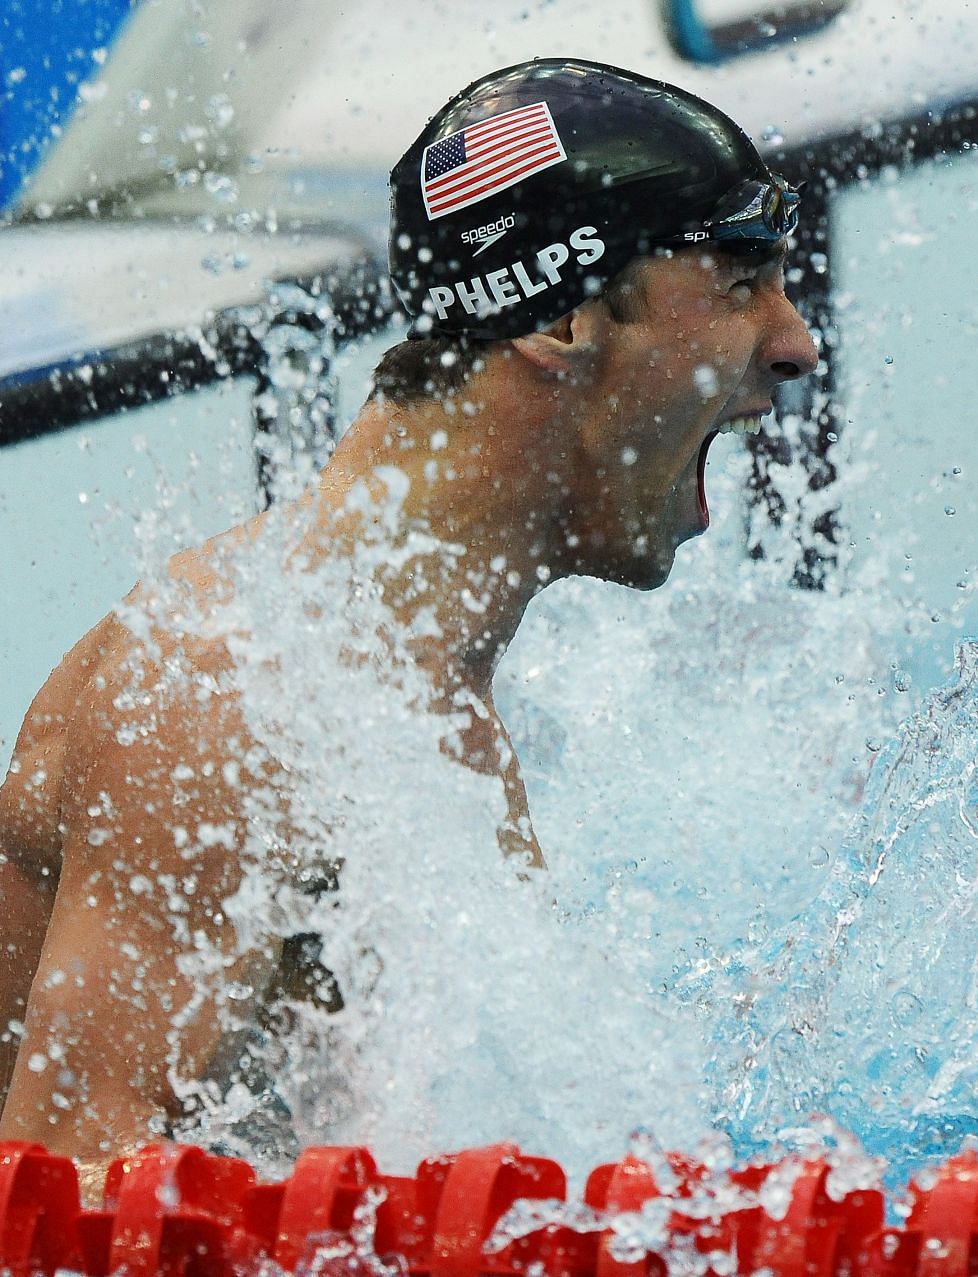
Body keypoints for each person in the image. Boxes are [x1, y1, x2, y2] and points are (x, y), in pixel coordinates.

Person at [0, 58, 818, 1190]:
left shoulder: (409, 687)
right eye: (740, 280)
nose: (795, 343)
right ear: (566, 317)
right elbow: (61, 1217)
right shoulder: (230, 698)